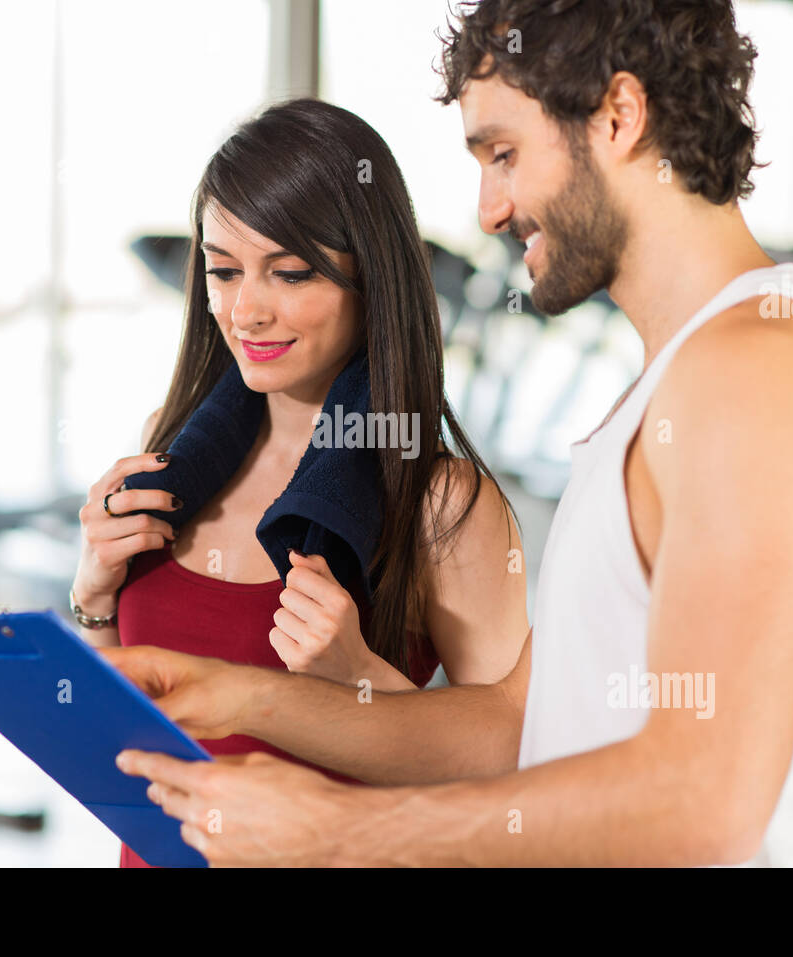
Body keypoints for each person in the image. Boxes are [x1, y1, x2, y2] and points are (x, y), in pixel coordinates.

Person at [108, 0, 793, 867]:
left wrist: (337, 832)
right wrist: (235, 698)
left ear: (618, 115)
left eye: (503, 155)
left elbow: (701, 801)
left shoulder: (760, 371)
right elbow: (511, 727)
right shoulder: (681, 380)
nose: (490, 211)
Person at [70, 98, 529, 866]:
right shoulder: (171, 445)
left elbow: (511, 769)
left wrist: (357, 676)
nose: (246, 309)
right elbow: (123, 734)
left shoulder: (442, 502)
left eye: (288, 272)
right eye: (222, 271)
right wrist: (91, 598)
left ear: (370, 280)